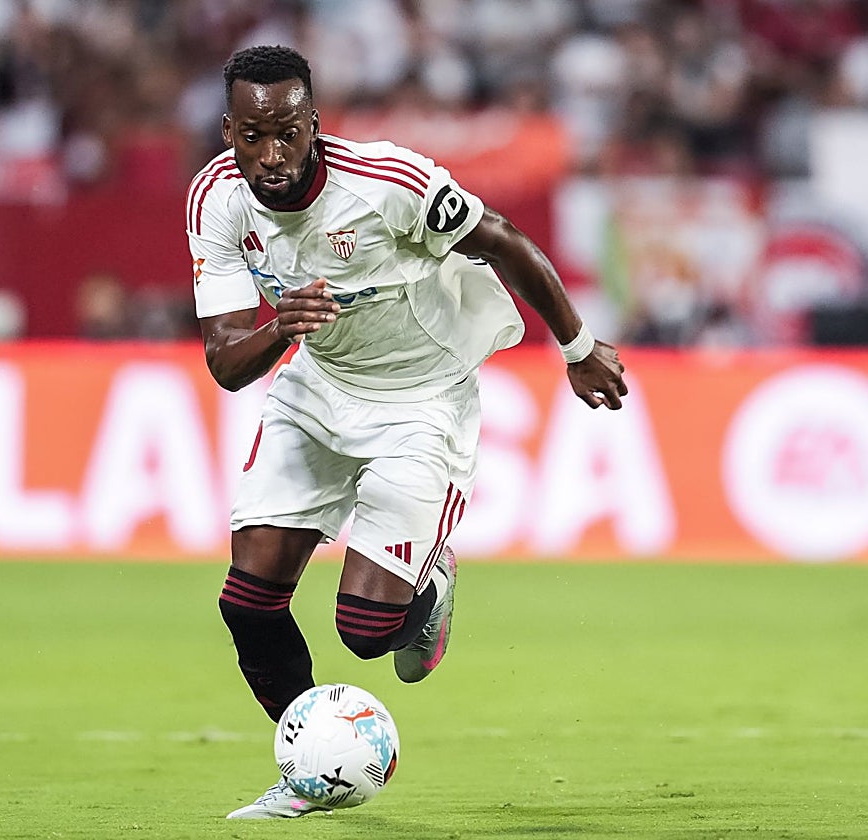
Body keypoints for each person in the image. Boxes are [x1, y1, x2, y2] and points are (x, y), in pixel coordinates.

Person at [186, 45, 627, 820]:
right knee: (248, 599)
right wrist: (282, 329)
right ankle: (307, 769)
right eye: (254, 136)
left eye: (289, 131)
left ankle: (431, 578)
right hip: (317, 390)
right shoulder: (215, 199)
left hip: (421, 400)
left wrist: (579, 348)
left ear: (314, 122)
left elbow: (506, 241)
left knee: (364, 634)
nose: (273, 153)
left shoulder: (388, 183)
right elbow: (225, 361)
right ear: (230, 132)